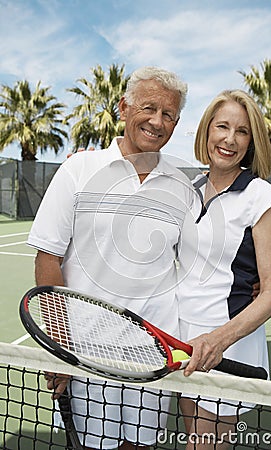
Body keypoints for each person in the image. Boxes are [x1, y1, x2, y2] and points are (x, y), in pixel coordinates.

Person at [27, 66, 200, 450]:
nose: (157, 121)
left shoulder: (183, 187)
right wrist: (60, 347)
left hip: (152, 355)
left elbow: (196, 267)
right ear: (124, 108)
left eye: (168, 114)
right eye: (148, 108)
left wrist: (250, 282)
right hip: (86, 351)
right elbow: (48, 259)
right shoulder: (78, 169)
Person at [177, 89, 271, 449]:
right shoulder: (188, 188)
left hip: (226, 351)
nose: (229, 139)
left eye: (241, 131)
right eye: (222, 127)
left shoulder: (262, 198)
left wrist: (218, 341)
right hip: (182, 342)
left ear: (251, 141)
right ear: (206, 132)